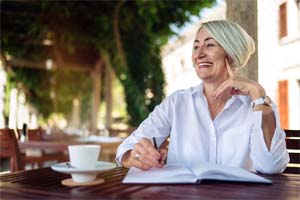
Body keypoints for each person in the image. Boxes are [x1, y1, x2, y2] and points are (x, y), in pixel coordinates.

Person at [116, 20, 289, 173]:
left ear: (231, 53)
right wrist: (135, 156)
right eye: (196, 47)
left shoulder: (259, 106)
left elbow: (271, 166)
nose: (198, 55)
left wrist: (258, 95)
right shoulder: (177, 102)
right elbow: (125, 150)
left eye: (210, 45)